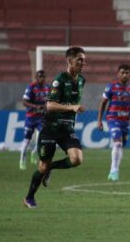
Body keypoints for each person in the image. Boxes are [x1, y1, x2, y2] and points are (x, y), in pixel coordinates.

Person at [23, 47, 87, 208]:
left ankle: (51, 167)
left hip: (67, 129)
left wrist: (72, 110)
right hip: (51, 127)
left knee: (77, 159)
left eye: (84, 60)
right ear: (70, 61)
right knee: (42, 166)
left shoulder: (81, 80)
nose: (83, 62)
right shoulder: (59, 80)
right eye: (79, 59)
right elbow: (50, 105)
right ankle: (29, 198)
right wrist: (71, 108)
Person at [97, 64, 130, 181]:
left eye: (127, 73)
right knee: (118, 143)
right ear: (118, 74)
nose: (124, 75)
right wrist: (99, 120)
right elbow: (103, 104)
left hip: (125, 121)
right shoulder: (111, 87)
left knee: (121, 145)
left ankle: (114, 169)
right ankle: (114, 170)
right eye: (122, 73)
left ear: (129, 74)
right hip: (113, 119)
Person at [19, 70, 50, 170]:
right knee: (27, 140)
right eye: (40, 77)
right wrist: (36, 106)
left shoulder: (47, 88)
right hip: (31, 118)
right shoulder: (31, 87)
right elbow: (24, 102)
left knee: (43, 138)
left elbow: (49, 101)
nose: (42, 79)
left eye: (44, 77)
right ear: (37, 78)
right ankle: (22, 160)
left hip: (41, 118)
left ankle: (34, 152)